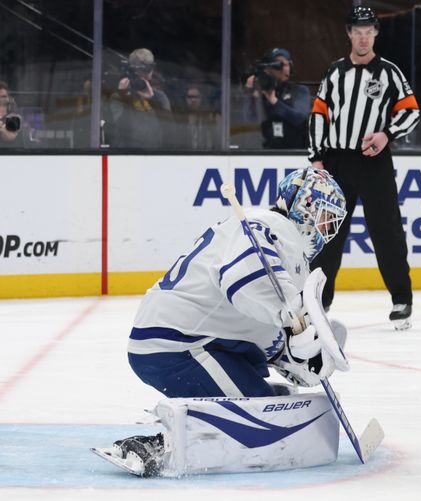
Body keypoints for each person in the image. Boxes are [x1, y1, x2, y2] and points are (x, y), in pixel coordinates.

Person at [107, 168, 348, 476]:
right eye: (326, 216)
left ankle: (185, 425)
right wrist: (290, 314)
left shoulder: (279, 242)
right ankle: (162, 445)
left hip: (194, 340)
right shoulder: (271, 226)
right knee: (259, 417)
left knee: (274, 400)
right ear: (306, 206)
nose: (328, 228)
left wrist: (299, 360)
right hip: (176, 345)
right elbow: (243, 278)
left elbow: (261, 330)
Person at [308, 5, 420, 330]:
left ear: (375, 33)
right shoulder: (334, 72)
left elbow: (411, 111)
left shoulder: (389, 72)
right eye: (357, 31)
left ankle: (402, 299)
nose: (362, 37)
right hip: (336, 162)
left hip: (374, 161)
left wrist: (388, 134)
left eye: (368, 31)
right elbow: (319, 114)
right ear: (349, 34)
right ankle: (320, 300)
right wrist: (316, 158)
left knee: (387, 232)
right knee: (329, 232)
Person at [244, 48, 311, 149]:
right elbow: (248, 120)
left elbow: (300, 118)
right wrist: (251, 96)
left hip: (296, 153)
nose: (281, 68)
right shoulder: (260, 91)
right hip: (267, 152)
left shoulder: (300, 91)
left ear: (290, 67)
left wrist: (274, 100)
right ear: (268, 70)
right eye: (277, 65)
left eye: (285, 64)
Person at [107, 48, 172, 148]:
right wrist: (124, 96)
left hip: (155, 154)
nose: (142, 76)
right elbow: (121, 127)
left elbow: (170, 128)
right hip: (125, 156)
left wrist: (152, 100)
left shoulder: (160, 97)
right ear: (131, 71)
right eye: (138, 71)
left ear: (151, 72)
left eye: (146, 71)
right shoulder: (119, 96)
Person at [174, 83, 218, 150]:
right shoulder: (179, 120)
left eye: (196, 97)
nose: (193, 100)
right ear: (185, 99)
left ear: (201, 99)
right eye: (190, 97)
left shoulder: (210, 118)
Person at [0, 81, 32, 147]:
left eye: (3, 97)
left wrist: (11, 138)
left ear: (8, 98)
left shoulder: (16, 118)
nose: (0, 100)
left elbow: (26, 142)